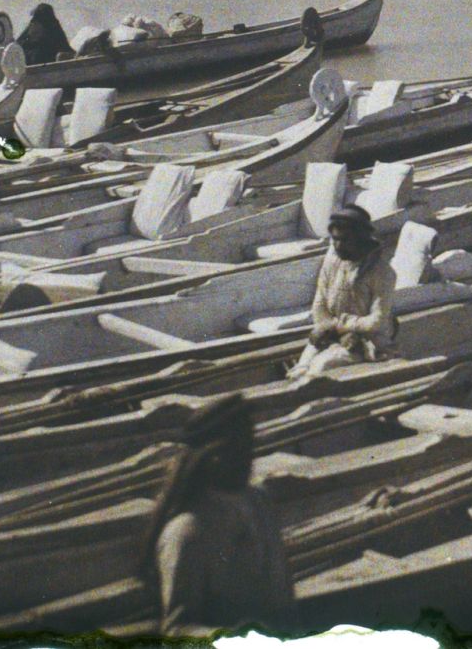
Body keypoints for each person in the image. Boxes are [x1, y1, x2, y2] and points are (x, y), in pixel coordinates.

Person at [139, 393, 293, 634]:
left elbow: (284, 593)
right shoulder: (187, 531)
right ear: (212, 457)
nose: (250, 457)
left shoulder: (259, 502)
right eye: (240, 448)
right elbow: (177, 630)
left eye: (251, 445)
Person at [289, 204, 396, 379]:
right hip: (332, 334)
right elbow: (319, 305)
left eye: (345, 240)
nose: (338, 246)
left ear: (361, 239)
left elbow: (376, 321)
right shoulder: (332, 263)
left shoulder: (382, 272)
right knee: (300, 369)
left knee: (320, 368)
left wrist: (342, 328)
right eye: (335, 239)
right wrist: (329, 328)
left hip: (367, 342)